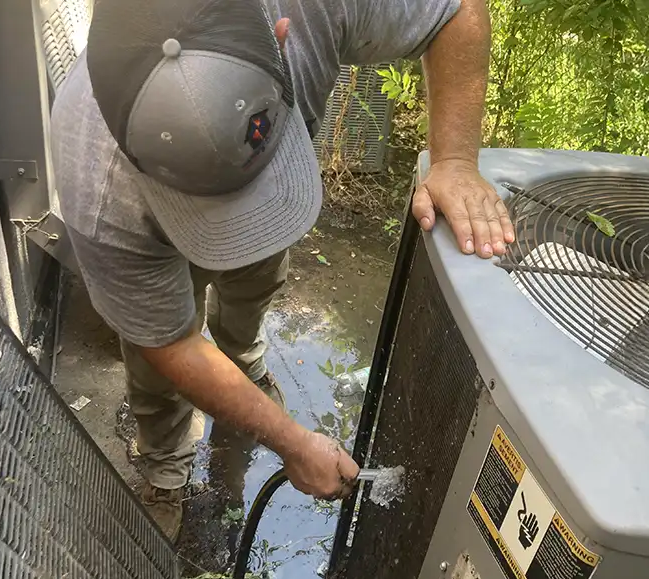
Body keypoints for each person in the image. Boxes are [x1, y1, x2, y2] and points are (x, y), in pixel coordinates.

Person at [50, 0, 513, 540]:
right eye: (215, 210)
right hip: (141, 227)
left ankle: (243, 360)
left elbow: (454, 12)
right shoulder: (99, 185)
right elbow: (169, 343)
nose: (232, 234)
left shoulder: (318, 7)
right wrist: (293, 444)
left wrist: (454, 161)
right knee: (153, 368)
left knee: (255, 279)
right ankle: (163, 467)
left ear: (281, 34)